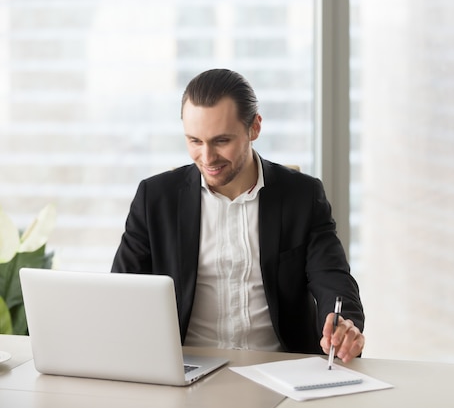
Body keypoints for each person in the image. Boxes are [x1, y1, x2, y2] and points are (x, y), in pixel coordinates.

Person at [111, 68, 365, 363]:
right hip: (186, 369)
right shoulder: (154, 199)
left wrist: (343, 323)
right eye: (194, 141)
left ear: (254, 128)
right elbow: (121, 295)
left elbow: (333, 279)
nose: (207, 158)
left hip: (280, 369)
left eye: (221, 141)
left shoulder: (302, 196)